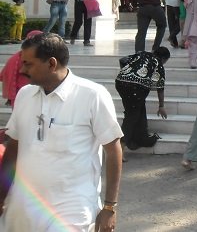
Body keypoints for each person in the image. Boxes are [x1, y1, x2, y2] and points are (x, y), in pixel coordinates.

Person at [0, 33, 123, 231]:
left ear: (51, 64)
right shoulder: (25, 95)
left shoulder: (92, 95)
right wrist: (1, 196)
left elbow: (113, 150)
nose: (22, 70)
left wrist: (110, 207)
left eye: (28, 64)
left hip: (72, 207)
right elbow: (13, 148)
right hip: (22, 207)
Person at [116, 47, 170, 151]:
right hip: (136, 88)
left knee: (137, 109)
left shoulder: (141, 54)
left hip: (120, 83)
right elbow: (160, 88)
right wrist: (161, 106)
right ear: (163, 58)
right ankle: (120, 147)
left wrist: (127, 75)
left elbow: (122, 60)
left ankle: (138, 138)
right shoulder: (158, 63)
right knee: (131, 116)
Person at [0, 30, 42, 107]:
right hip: (26, 90)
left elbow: (4, 74)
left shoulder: (17, 57)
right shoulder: (29, 57)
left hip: (20, 91)